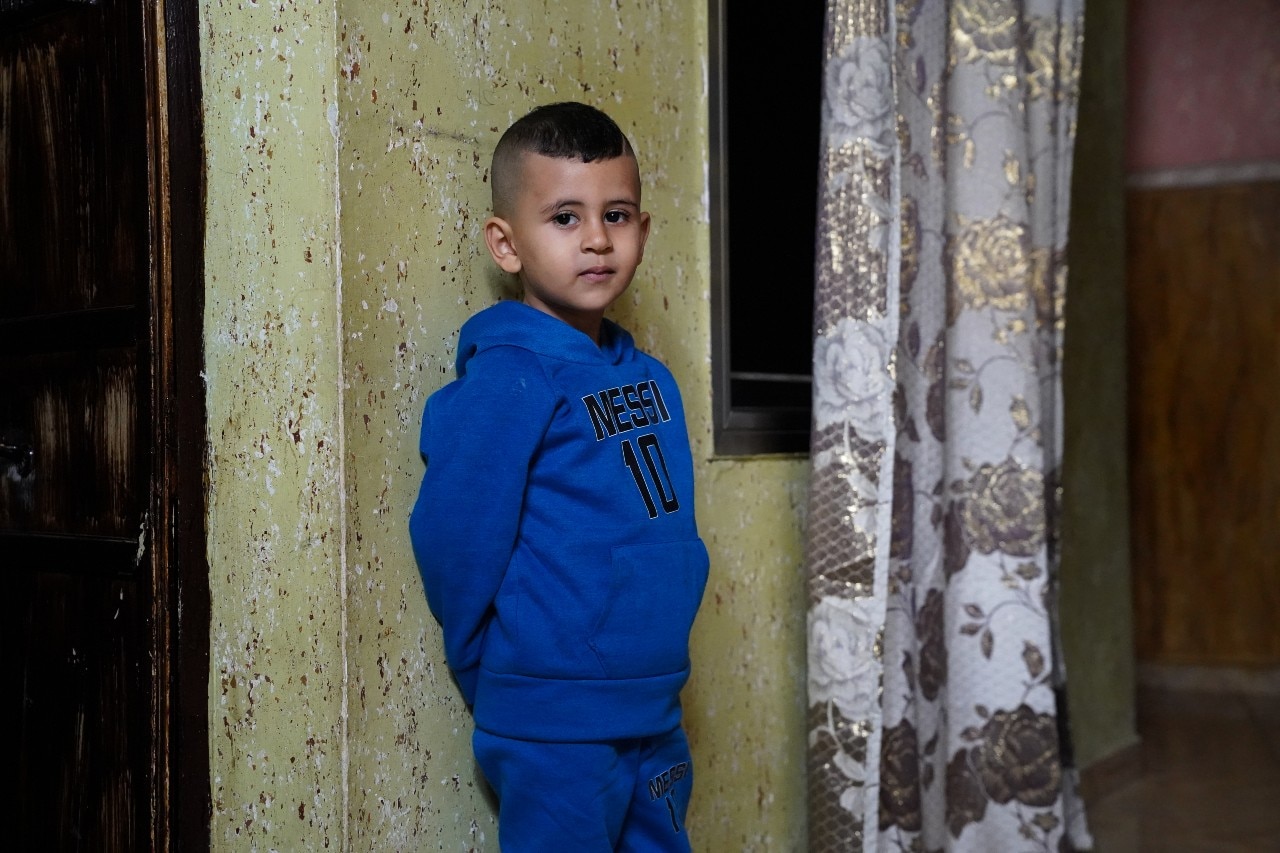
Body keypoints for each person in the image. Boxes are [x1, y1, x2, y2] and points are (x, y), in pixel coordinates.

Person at [409, 102, 709, 852]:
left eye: (616, 213)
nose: (598, 238)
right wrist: (491, 668)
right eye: (565, 218)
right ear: (506, 244)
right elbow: (456, 537)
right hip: (554, 720)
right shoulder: (510, 379)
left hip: (653, 705)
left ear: (642, 228)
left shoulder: (654, 380)